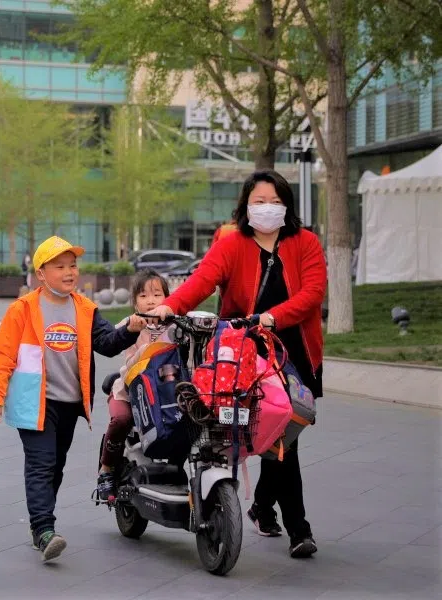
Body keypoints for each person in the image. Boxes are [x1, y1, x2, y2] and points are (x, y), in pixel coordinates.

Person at [147, 169, 326, 559]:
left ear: (287, 205)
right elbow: (203, 280)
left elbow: (313, 293)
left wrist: (273, 317)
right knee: (277, 442)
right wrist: (170, 305)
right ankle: (299, 529)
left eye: (274, 201)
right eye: (258, 201)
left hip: (293, 350)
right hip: (244, 351)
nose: (266, 208)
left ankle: (262, 505)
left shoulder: (305, 242)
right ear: (245, 206)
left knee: (284, 436)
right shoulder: (232, 244)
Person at [0, 236, 145, 562]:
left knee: (56, 465)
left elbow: (108, 343)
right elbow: (2, 354)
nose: (69, 272)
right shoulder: (24, 309)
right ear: (41, 273)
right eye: (60, 267)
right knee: (42, 464)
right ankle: (44, 529)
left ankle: (40, 524)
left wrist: (130, 327)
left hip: (70, 403)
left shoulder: (85, 309)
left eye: (72, 266)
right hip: (35, 400)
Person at [96, 269, 172, 499]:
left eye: (157, 294)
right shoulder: (130, 325)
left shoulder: (175, 327)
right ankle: (106, 470)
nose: (150, 300)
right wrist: (130, 328)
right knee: (121, 419)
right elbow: (113, 340)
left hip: (164, 392)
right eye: (143, 295)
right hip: (130, 391)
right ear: (135, 301)